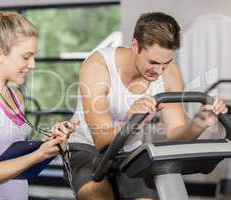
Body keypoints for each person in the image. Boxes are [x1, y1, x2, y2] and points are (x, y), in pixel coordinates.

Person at [68, 12, 228, 200]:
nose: (159, 71)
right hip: (87, 148)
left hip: (130, 150)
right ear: (135, 46)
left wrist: (199, 122)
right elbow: (101, 141)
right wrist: (133, 121)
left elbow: (175, 133)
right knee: (97, 195)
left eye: (166, 63)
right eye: (153, 62)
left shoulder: (170, 73)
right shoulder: (98, 67)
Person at [0, 7, 78, 200]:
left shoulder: (15, 96)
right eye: (26, 56)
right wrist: (38, 155)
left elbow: (11, 159)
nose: (33, 64)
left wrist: (49, 144)